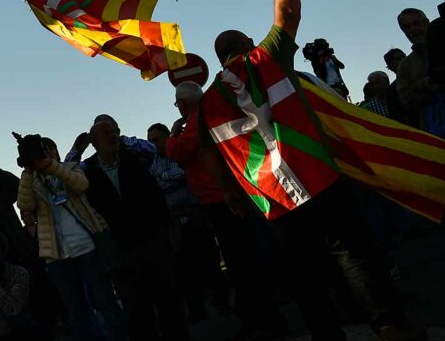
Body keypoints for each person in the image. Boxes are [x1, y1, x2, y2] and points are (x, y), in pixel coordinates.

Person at [205, 0, 423, 341]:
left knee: (303, 273)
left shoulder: (207, 103)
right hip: (315, 173)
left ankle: (327, 334)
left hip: (271, 196)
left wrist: (228, 192)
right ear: (245, 45)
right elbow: (287, 12)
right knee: (353, 254)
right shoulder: (265, 59)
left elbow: (211, 153)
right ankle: (389, 326)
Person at [168, 81, 288, 340]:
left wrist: (171, 136)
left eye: (178, 104)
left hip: (221, 199)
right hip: (227, 196)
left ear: (183, 104)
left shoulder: (196, 122)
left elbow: (179, 151)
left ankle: (265, 319)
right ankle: (261, 316)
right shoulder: (208, 116)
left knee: (242, 261)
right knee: (244, 258)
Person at [79, 114, 188, 341]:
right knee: (137, 310)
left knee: (168, 301)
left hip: (153, 242)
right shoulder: (87, 171)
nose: (112, 136)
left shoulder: (136, 159)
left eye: (114, 131)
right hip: (121, 251)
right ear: (94, 142)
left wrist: (167, 230)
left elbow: (156, 196)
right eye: (106, 133)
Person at [16, 135, 126, 341]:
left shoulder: (71, 168)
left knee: (105, 301)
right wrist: (28, 171)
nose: (46, 154)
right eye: (42, 151)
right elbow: (25, 204)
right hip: (56, 257)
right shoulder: (32, 180)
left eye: (50, 150)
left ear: (56, 152)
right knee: (76, 311)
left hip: (86, 247)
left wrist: (51, 166)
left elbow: (81, 185)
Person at [147, 122, 230, 323]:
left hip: (196, 216)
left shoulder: (179, 154)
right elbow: (154, 184)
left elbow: (184, 173)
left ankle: (223, 302)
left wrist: (164, 177)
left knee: (209, 260)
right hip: (176, 223)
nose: (153, 145)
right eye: (150, 141)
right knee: (184, 268)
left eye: (156, 140)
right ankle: (196, 308)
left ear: (167, 137)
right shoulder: (153, 161)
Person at [396, 7, 445, 137]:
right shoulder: (405, 66)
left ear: (426, 22)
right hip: (436, 134)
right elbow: (406, 99)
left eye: (416, 23)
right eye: (407, 27)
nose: (412, 30)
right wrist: (428, 84)